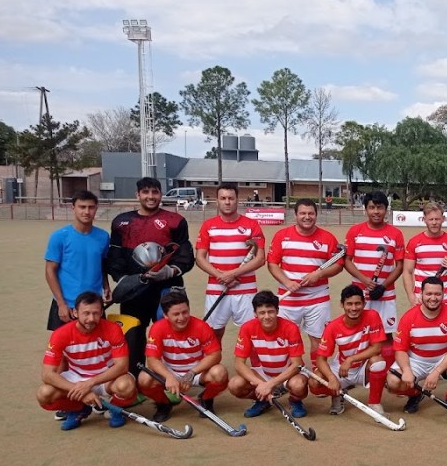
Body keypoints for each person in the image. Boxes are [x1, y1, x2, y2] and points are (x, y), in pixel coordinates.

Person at [108, 177, 195, 379]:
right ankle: (134, 380)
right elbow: (114, 255)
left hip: (166, 291)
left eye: (155, 192)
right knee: (134, 335)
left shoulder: (175, 221)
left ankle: (167, 383)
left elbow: (185, 254)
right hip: (134, 292)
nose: (150, 196)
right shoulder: (122, 222)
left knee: (168, 335)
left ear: (161, 194)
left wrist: (171, 271)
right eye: (145, 192)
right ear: (137, 195)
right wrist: (123, 279)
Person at [36, 291, 138, 430]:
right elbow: (47, 374)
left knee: (127, 386)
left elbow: (122, 366)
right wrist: (81, 391)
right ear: (75, 313)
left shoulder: (113, 329)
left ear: (101, 312)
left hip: (106, 378)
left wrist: (89, 384)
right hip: (76, 378)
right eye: (86, 313)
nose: (91, 318)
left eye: (96, 313)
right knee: (44, 394)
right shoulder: (60, 334)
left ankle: (114, 408)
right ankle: (78, 408)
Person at [267, 198, 345, 362]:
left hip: (317, 298)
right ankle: (292, 371)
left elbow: (338, 265)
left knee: (318, 339)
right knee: (285, 338)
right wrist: (287, 282)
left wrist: (319, 274)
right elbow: (272, 264)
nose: (307, 217)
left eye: (311, 213)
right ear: (295, 215)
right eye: (303, 213)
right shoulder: (282, 236)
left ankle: (317, 371)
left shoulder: (327, 238)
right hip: (288, 298)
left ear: (316, 215)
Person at [138, 289, 228, 422]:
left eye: (185, 312)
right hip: (170, 371)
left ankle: (206, 399)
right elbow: (152, 359)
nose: (182, 318)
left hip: (197, 371)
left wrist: (192, 373)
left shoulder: (201, 326)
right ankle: (164, 404)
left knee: (220, 373)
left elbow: (215, 355)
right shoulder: (157, 328)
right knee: (144, 379)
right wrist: (169, 377)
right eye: (176, 314)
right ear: (165, 315)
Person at [195, 185, 267, 343]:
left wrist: (232, 274)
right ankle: (215, 360)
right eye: (223, 198)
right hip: (216, 288)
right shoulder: (208, 225)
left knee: (250, 333)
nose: (227, 202)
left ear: (237, 200)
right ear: (217, 201)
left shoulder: (251, 225)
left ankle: (249, 361)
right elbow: (200, 258)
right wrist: (221, 276)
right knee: (213, 333)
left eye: (231, 198)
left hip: (246, 290)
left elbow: (260, 259)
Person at [386, 277, 447, 414]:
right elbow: (400, 350)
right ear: (421, 294)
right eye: (429, 294)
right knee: (393, 382)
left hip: (443, 359)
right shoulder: (409, 317)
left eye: (437, 294)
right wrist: (406, 370)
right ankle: (415, 394)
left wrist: (437, 372)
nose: (433, 298)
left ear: (443, 294)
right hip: (416, 361)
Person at [344, 191, 405, 368]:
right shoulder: (355, 231)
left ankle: (388, 372)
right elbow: (347, 261)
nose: (376, 212)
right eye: (372, 207)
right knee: (359, 332)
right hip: (360, 294)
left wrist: (383, 286)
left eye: (380, 207)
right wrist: (365, 280)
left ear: (386, 209)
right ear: (366, 209)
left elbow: (399, 266)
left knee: (386, 334)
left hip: (385, 294)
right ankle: (360, 369)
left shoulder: (395, 234)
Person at [227, 291, 308, 419]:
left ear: (277, 311)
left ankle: (295, 400)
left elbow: (297, 364)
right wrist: (261, 384)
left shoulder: (291, 328)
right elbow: (238, 364)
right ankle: (262, 400)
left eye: (270, 312)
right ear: (255, 313)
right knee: (235, 384)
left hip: (289, 373)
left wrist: (270, 384)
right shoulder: (247, 328)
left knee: (298, 385)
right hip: (263, 373)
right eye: (262, 313)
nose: (267, 316)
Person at [312, 285, 388, 415]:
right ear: (342, 304)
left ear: (364, 303)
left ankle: (374, 403)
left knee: (378, 362)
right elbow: (320, 359)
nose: (353, 308)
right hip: (342, 370)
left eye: (357, 303)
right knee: (314, 382)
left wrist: (351, 359)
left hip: (363, 367)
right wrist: (331, 378)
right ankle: (337, 395)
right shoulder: (332, 327)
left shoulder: (372, 316)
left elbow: (377, 348)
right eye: (349, 304)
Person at [45, 190, 111, 331]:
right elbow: (50, 270)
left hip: (94, 304)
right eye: (82, 207)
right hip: (67, 305)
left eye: (91, 207)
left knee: (97, 344)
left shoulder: (103, 237)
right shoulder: (59, 236)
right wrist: (61, 304)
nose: (86, 212)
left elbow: (102, 264)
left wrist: (106, 286)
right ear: (73, 208)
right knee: (63, 344)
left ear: (96, 208)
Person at [402, 202, 447, 308]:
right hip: (422, 300)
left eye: (437, 219)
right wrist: (411, 296)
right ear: (424, 220)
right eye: (431, 219)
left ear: (443, 219)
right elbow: (407, 272)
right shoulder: (414, 242)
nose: (434, 223)